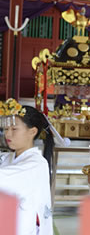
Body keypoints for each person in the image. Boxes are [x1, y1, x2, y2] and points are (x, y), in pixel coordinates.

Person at [0, 99, 54, 235]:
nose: (8, 134)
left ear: (32, 132)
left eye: (14, 129)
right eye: (6, 129)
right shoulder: (8, 158)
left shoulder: (36, 164)